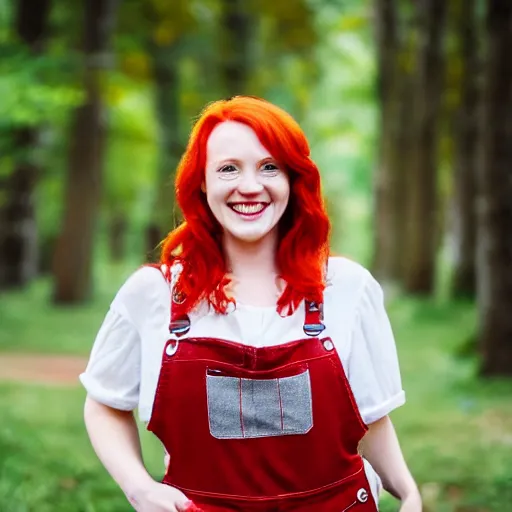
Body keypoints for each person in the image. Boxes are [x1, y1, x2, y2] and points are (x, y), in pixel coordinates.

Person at [80, 96, 421, 512]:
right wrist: (139, 487)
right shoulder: (153, 294)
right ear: (202, 182)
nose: (249, 186)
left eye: (269, 167)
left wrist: (408, 491)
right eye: (228, 169)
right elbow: (104, 404)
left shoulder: (347, 288)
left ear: (293, 179)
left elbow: (369, 419)